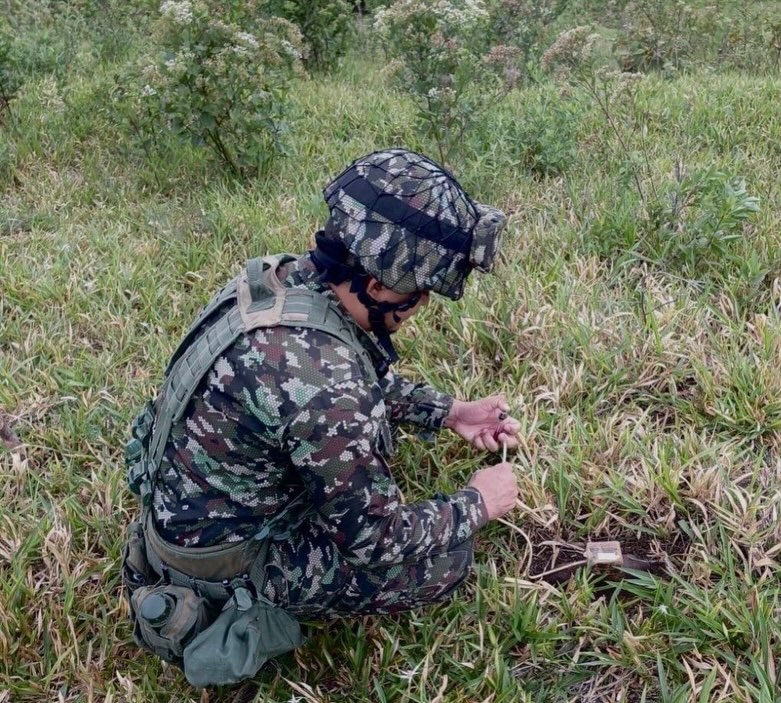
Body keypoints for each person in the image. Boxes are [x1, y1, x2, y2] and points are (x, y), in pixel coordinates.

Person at [122, 148, 521, 686]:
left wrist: (450, 413)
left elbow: (331, 381)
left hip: (181, 520)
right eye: (420, 294)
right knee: (444, 563)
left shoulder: (277, 282)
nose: (422, 306)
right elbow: (376, 540)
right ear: (378, 287)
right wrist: (477, 502)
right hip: (224, 563)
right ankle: (232, 607)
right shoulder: (328, 386)